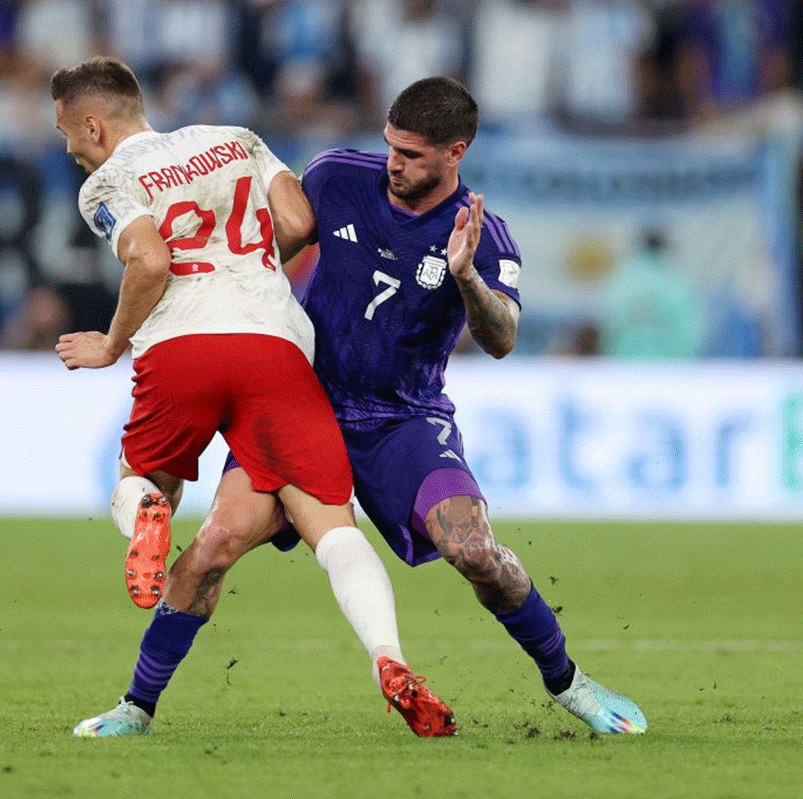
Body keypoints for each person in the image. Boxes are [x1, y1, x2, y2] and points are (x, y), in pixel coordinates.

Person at [75, 74, 648, 738]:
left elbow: (502, 338)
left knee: (474, 551)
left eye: (412, 156)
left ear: (455, 152)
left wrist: (465, 278)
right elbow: (259, 256)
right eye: (390, 147)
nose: (394, 165)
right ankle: (136, 706)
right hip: (299, 402)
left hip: (403, 419)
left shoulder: (481, 236)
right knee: (213, 545)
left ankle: (570, 682)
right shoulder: (338, 178)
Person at [51, 56, 456, 738]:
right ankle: (390, 661)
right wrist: (247, 265)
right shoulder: (235, 137)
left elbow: (149, 260)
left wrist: (114, 341)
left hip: (183, 348)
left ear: (92, 124)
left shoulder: (105, 183)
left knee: (142, 484)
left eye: (66, 131)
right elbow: (299, 220)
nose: (67, 146)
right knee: (334, 528)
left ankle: (147, 515)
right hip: (275, 345)